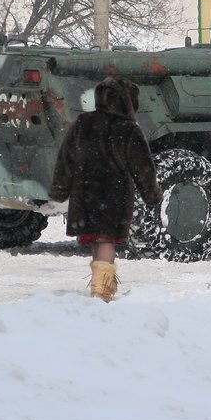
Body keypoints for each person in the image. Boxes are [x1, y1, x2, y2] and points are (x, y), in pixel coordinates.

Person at [50, 75, 163, 302]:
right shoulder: (129, 129)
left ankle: (99, 285)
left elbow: (66, 158)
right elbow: (143, 167)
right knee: (106, 240)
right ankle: (101, 292)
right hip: (114, 195)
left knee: (95, 239)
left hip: (85, 193)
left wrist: (60, 188)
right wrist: (151, 194)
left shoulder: (83, 123)